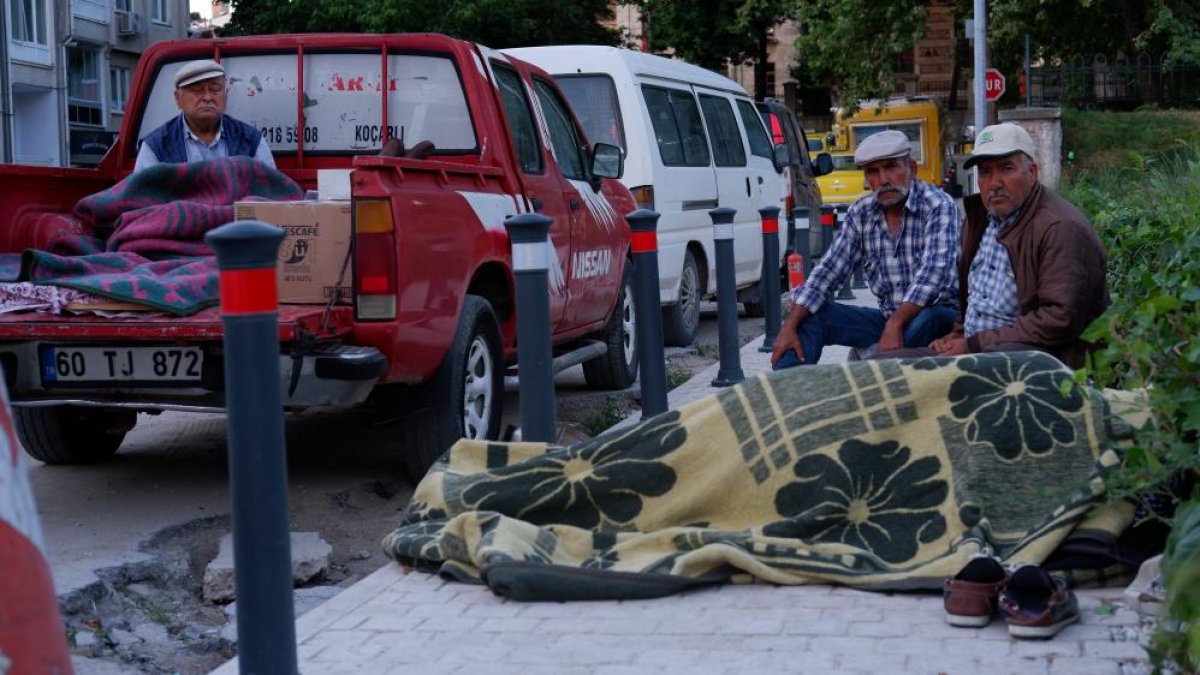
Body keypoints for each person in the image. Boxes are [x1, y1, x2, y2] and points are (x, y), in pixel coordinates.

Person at [771, 129, 960, 369]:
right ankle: (786, 388)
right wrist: (789, 326)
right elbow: (827, 272)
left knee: (930, 318)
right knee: (812, 316)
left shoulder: (938, 205)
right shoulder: (861, 213)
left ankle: (879, 370)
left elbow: (933, 277)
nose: (883, 179)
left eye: (892, 167)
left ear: (911, 168)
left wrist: (895, 325)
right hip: (887, 319)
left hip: (937, 316)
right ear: (866, 178)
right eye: (873, 171)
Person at [928, 123, 1108, 368]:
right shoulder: (978, 219)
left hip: (1039, 364)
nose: (994, 183)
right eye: (985, 172)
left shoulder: (1060, 227)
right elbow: (973, 299)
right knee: (891, 366)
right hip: (981, 350)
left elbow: (1059, 319)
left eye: (1006, 168)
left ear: (1032, 172)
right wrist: (958, 334)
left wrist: (973, 345)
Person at [135, 59, 275, 172]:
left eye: (215, 89)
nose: (207, 97)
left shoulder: (251, 140)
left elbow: (269, 194)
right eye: (197, 90)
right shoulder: (156, 146)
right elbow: (144, 200)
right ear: (178, 99)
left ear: (226, 95)